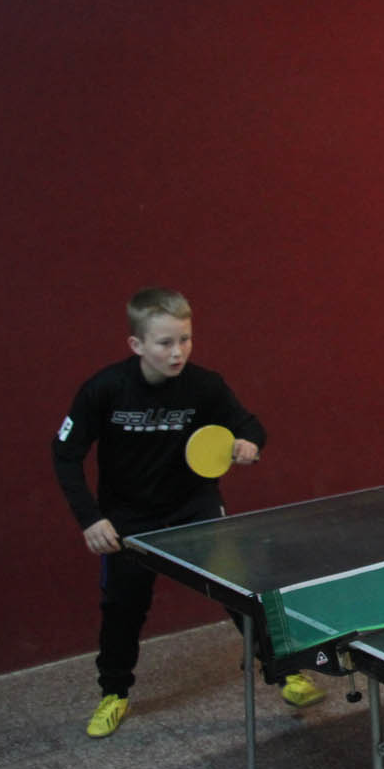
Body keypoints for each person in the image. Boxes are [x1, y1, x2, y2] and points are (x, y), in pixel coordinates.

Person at [52, 288, 325, 738]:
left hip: (194, 506)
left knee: (242, 592)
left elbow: (250, 425)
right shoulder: (104, 389)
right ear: (137, 344)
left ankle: (284, 672)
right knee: (122, 607)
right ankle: (114, 693)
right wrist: (90, 518)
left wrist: (249, 444)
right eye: (165, 343)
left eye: (185, 339)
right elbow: (65, 455)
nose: (177, 352)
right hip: (127, 517)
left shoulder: (205, 385)